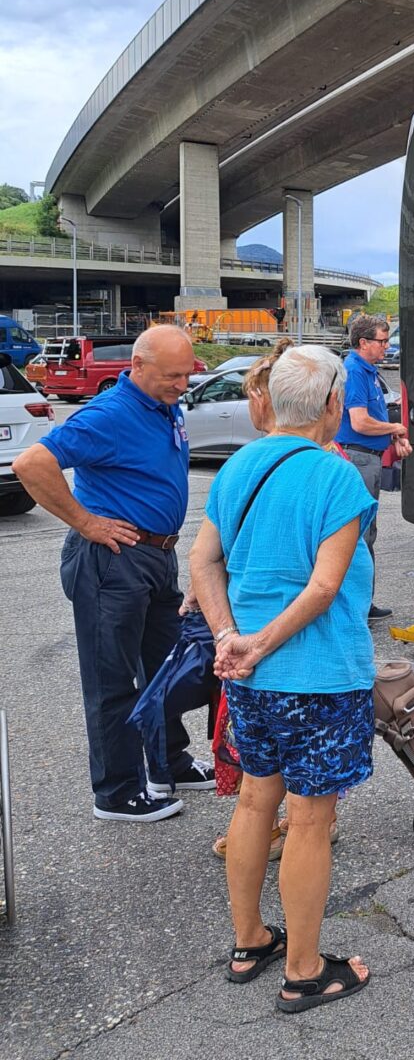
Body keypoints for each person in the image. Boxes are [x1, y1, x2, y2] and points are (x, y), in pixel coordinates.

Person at [189, 344, 376, 1013]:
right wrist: (259, 640)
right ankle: (304, 971)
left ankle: (250, 942)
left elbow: (203, 561)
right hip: (319, 678)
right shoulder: (338, 479)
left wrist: (229, 640)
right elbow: (326, 587)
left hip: (250, 678)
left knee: (253, 805)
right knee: (309, 823)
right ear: (331, 404)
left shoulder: (239, 465)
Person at [12, 325, 213, 821]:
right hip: (113, 562)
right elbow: (32, 463)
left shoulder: (163, 404)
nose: (182, 384)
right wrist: (85, 522)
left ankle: (167, 763)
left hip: (155, 558)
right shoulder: (110, 414)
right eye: (172, 375)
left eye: (187, 374)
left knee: (167, 667)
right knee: (112, 680)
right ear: (138, 367)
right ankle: (117, 793)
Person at [335, 313, 412, 621]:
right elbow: (359, 421)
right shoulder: (354, 371)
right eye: (382, 341)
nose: (386, 346)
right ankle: (355, 606)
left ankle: (362, 602)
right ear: (364, 342)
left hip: (368, 456)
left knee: (367, 532)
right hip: (358, 458)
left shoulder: (366, 371)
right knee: (359, 533)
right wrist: (394, 430)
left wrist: (392, 437)